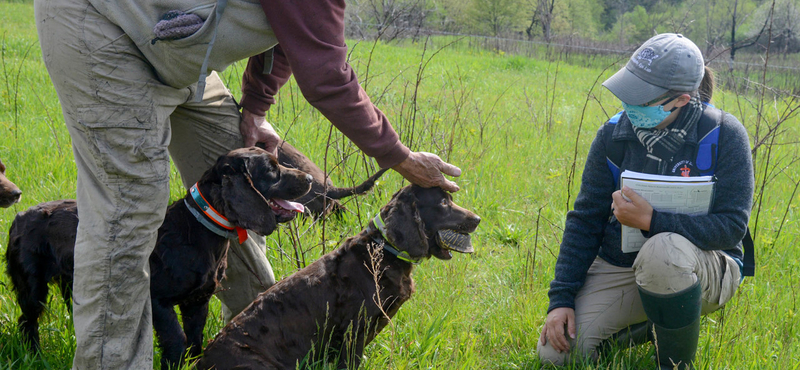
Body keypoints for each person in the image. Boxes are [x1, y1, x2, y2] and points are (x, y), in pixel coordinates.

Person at [32, 0, 461, 368]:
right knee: (128, 214)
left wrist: (255, 106)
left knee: (241, 171)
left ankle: (255, 344)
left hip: (177, 45)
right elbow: (328, 77)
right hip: (103, 27)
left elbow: (293, 29)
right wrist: (400, 157)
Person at [537, 33, 753, 369]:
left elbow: (732, 228)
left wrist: (653, 222)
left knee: (663, 251)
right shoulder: (612, 136)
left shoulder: (725, 135)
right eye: (628, 92)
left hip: (703, 266)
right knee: (555, 355)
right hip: (621, 264)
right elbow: (585, 220)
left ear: (680, 100)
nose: (628, 106)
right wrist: (560, 299)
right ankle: (655, 323)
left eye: (640, 99)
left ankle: (674, 362)